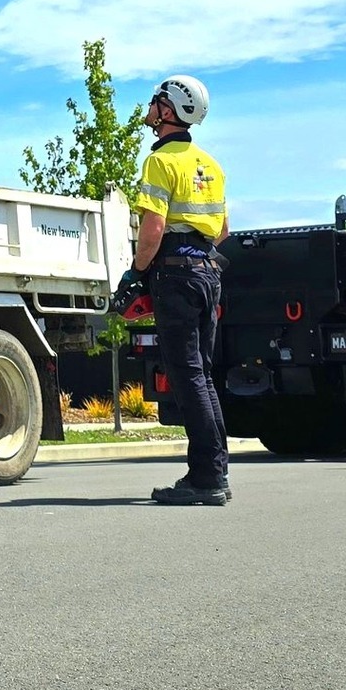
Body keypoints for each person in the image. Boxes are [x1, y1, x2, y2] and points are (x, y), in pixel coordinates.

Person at [129, 74, 230, 506]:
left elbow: (152, 229)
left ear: (168, 111)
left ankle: (206, 479)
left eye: (156, 101)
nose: (150, 108)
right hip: (208, 269)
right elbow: (223, 230)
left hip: (175, 273)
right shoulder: (209, 164)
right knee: (202, 374)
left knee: (187, 374)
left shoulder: (159, 163)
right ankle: (213, 472)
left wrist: (136, 272)